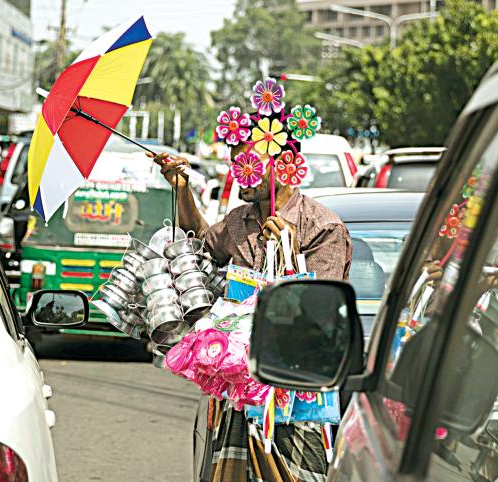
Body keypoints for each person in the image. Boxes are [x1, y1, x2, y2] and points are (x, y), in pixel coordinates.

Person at [147, 77, 352, 482]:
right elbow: (203, 245)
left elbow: (319, 317)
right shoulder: (239, 221)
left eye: (250, 165)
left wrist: (290, 254)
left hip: (294, 399)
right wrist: (182, 189)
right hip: (237, 396)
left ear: (282, 163)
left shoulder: (322, 229)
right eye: (235, 164)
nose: (240, 174)